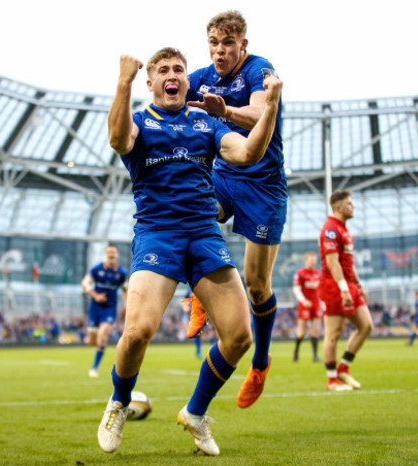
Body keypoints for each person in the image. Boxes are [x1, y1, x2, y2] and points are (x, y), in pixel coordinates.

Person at [97, 47, 282, 456]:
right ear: (152, 82)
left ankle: (195, 413)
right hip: (158, 234)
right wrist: (123, 82)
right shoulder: (141, 121)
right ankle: (118, 402)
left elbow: (249, 152)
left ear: (186, 80)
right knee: (138, 331)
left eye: (179, 69)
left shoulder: (204, 120)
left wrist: (269, 106)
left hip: (203, 235)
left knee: (239, 337)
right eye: (163, 70)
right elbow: (117, 139)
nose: (173, 74)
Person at [184, 10, 287, 409]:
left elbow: (262, 113)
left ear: (243, 44)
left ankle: (259, 364)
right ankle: (198, 296)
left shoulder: (260, 69)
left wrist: (222, 110)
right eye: (214, 43)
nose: (220, 51)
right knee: (195, 214)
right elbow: (169, 99)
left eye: (228, 44)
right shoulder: (201, 77)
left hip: (263, 184)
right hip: (226, 174)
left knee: (257, 284)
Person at [318, 189, 373, 391]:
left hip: (348, 284)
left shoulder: (344, 229)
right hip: (334, 285)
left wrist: (358, 285)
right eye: (349, 204)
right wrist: (343, 288)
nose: (353, 206)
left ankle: (343, 368)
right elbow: (332, 263)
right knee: (333, 334)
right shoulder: (330, 229)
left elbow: (348, 262)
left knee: (366, 325)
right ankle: (332, 379)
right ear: (338, 207)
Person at [81, 243, 128, 378]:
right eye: (109, 252)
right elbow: (85, 283)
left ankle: (94, 368)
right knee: (92, 341)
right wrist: (95, 295)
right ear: (106, 254)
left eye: (113, 252)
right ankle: (91, 340)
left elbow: (125, 290)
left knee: (103, 335)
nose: (111, 255)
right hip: (95, 308)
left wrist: (125, 306)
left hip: (110, 308)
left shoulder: (121, 273)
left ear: (117, 255)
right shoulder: (96, 269)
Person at [292, 251, 323, 362]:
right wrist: (303, 300)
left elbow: (321, 290)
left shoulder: (318, 273)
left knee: (315, 331)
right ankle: (296, 352)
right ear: (306, 261)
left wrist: (323, 303)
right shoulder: (300, 273)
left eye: (314, 260)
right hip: (304, 305)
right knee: (302, 332)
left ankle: (315, 356)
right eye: (311, 260)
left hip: (316, 304)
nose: (313, 262)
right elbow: (296, 289)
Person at [181, 290, 203, 359]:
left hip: (203, 314)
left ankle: (211, 345)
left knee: (211, 331)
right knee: (197, 334)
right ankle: (199, 350)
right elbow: (184, 301)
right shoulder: (189, 291)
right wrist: (186, 308)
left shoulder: (201, 287)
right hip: (195, 316)